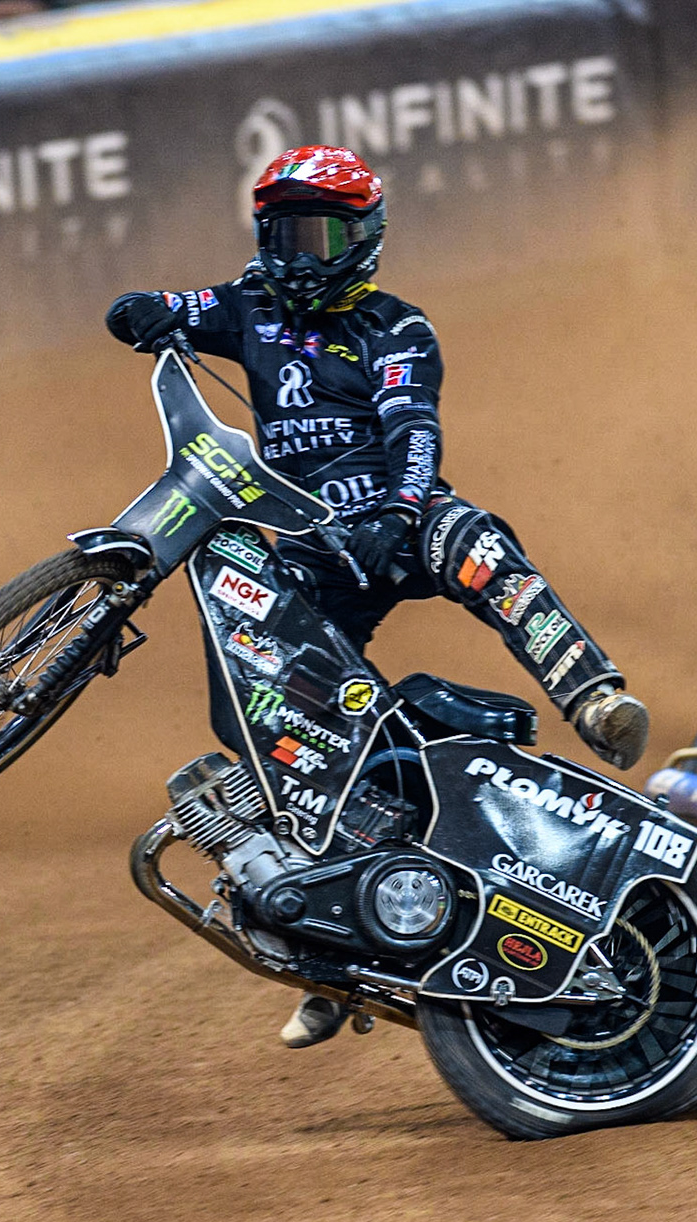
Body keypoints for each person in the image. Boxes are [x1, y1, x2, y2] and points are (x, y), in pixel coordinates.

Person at [105, 144, 650, 1048]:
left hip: (399, 521)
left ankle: (594, 698)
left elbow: (414, 430)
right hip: (315, 550)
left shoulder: (401, 328)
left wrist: (399, 516)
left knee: (480, 545)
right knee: (275, 713)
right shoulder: (249, 308)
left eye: (318, 235)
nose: (297, 254)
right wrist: (138, 313)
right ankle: (338, 953)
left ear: (362, 238)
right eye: (282, 232)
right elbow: (173, 308)